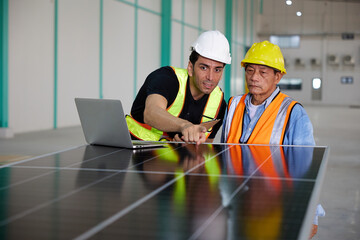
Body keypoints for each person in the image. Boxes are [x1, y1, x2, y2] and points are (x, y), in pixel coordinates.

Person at [221, 40, 325, 239]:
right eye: (250, 70)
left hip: (273, 206)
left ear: (278, 76)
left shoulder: (293, 113)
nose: (254, 78)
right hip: (236, 203)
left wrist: (312, 215)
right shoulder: (233, 105)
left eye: (262, 72)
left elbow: (307, 169)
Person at [126, 30, 231, 145]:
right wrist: (185, 126)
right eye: (204, 68)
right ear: (190, 67)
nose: (210, 77)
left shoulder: (219, 104)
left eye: (217, 70)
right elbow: (151, 112)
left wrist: (189, 144)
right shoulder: (166, 78)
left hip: (168, 158)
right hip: (132, 147)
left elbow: (206, 147)